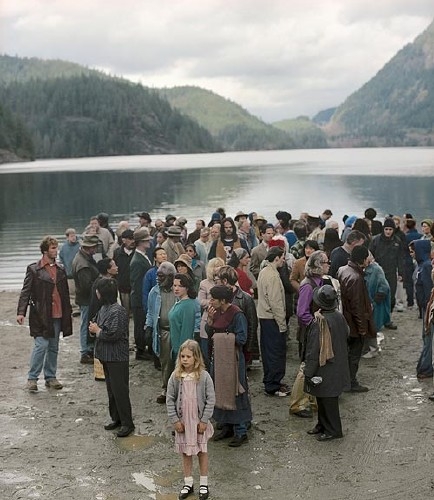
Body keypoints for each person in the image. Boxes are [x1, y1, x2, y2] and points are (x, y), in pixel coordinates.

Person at [17, 236, 73, 392]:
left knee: (54, 347)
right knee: (41, 346)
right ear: (45, 250)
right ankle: (32, 379)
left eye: (56, 247)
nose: (56, 250)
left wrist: (68, 312)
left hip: (58, 314)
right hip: (40, 315)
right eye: (53, 248)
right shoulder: (34, 269)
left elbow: (65, 294)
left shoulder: (61, 269)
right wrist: (21, 312)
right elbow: (25, 292)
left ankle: (50, 377)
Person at [166, 339, 215, 500]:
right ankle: (188, 483)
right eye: (182, 356)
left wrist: (204, 420)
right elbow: (169, 399)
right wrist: (175, 420)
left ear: (196, 357)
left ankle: (204, 484)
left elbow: (211, 399)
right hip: (184, 423)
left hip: (198, 423)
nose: (185, 359)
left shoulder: (204, 376)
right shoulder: (175, 376)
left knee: (202, 451)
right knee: (186, 453)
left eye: (188, 356)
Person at [206, 285, 252, 447]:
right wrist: (210, 321)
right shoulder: (216, 312)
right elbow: (210, 333)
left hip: (233, 360)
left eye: (213, 299)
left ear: (223, 300)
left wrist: (222, 338)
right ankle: (226, 426)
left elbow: (242, 338)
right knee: (219, 390)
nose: (210, 302)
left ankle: (240, 431)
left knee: (235, 392)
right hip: (218, 359)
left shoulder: (237, 315)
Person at [88, 278, 134, 438]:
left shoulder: (118, 311)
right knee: (111, 390)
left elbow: (113, 334)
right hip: (106, 356)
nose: (96, 293)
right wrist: (93, 329)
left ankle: (127, 423)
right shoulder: (103, 308)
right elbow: (95, 324)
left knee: (120, 391)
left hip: (117, 357)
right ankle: (117, 418)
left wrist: (97, 331)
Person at [304, 285, 350, 441]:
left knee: (328, 399)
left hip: (324, 366)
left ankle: (333, 430)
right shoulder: (339, 316)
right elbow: (347, 333)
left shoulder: (319, 322)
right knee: (323, 396)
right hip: (338, 362)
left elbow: (313, 349)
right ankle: (323, 424)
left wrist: (308, 371)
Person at [338, 245, 376, 392]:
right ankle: (350, 382)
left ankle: (345, 380)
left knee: (346, 353)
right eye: (367, 258)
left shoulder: (343, 270)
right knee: (353, 354)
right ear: (363, 259)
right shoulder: (356, 277)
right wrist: (362, 329)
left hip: (344, 319)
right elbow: (357, 306)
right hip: (353, 323)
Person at [257, 246, 290, 396]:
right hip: (273, 320)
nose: (284, 260)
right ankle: (273, 385)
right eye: (282, 257)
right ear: (276, 258)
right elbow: (276, 303)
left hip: (265, 318)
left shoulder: (264, 272)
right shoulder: (273, 276)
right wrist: (282, 325)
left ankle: (271, 381)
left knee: (268, 352)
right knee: (276, 352)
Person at [145, 261, 177, 404]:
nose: (158, 279)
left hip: (177, 331)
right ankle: (166, 389)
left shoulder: (179, 289)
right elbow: (150, 312)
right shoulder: (154, 292)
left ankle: (180, 390)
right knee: (165, 362)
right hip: (163, 332)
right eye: (158, 276)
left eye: (161, 276)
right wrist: (148, 327)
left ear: (171, 276)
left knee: (180, 361)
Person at [72, 234, 100, 364]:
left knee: (87, 323)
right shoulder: (83, 264)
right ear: (90, 247)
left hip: (86, 298)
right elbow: (86, 286)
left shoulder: (83, 258)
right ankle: (85, 352)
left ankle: (88, 349)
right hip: (86, 299)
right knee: (85, 324)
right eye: (95, 247)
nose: (96, 249)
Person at [370, 218, 404, 322]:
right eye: (386, 229)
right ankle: (376, 318)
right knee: (377, 295)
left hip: (391, 272)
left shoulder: (397, 241)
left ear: (393, 230)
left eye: (390, 229)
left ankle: (387, 318)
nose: (388, 231)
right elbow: (370, 255)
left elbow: (400, 258)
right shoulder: (376, 240)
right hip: (377, 272)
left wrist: (401, 272)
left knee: (391, 297)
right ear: (383, 229)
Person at [411, 239, 434, 379]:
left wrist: (427, 308)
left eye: (413, 251)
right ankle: (425, 366)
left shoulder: (426, 267)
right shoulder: (421, 265)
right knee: (426, 338)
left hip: (428, 308)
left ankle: (425, 367)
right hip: (425, 307)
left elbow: (428, 288)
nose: (412, 254)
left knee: (427, 337)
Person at [130, 228, 153, 360]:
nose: (149, 242)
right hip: (139, 298)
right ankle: (140, 349)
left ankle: (143, 347)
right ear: (140, 242)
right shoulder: (137, 261)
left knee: (142, 322)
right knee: (140, 324)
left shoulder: (142, 256)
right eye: (146, 240)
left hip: (142, 296)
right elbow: (137, 284)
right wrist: (143, 300)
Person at [362, 253, 391, 358]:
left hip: (374, 305)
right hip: (367, 304)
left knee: (372, 326)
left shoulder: (376, 270)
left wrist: (375, 301)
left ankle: (373, 349)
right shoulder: (363, 270)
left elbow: (384, 287)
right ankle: (367, 349)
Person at [198, 257, 225, 366]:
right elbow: (201, 301)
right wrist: (214, 303)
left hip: (222, 319)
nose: (218, 268)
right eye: (216, 266)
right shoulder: (204, 283)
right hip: (208, 318)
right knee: (207, 354)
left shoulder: (225, 282)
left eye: (220, 265)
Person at [169, 273, 201, 361]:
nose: (176, 288)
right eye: (174, 285)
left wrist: (182, 353)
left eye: (180, 286)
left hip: (182, 351)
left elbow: (187, 332)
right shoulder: (179, 302)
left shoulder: (188, 305)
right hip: (175, 346)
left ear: (187, 288)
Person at [113, 228, 135, 320]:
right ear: (124, 240)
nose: (133, 241)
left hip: (135, 288)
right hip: (123, 288)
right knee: (124, 314)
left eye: (133, 239)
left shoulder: (137, 253)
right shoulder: (117, 253)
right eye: (130, 239)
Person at [58, 227, 80, 316]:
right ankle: (75, 309)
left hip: (79, 273)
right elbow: (61, 259)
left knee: (79, 291)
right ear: (67, 237)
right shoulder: (64, 248)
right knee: (71, 292)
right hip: (69, 273)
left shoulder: (80, 246)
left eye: (74, 236)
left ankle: (80, 307)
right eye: (71, 236)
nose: (73, 238)